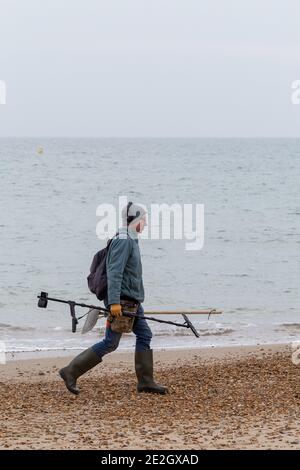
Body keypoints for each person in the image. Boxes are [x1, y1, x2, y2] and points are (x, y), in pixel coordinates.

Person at [59, 202, 168, 396]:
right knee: (111, 342)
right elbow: (114, 272)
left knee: (144, 335)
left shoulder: (131, 239)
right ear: (135, 220)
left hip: (133, 300)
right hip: (122, 300)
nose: (146, 224)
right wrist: (114, 302)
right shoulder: (124, 240)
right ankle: (70, 371)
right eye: (144, 219)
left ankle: (145, 381)